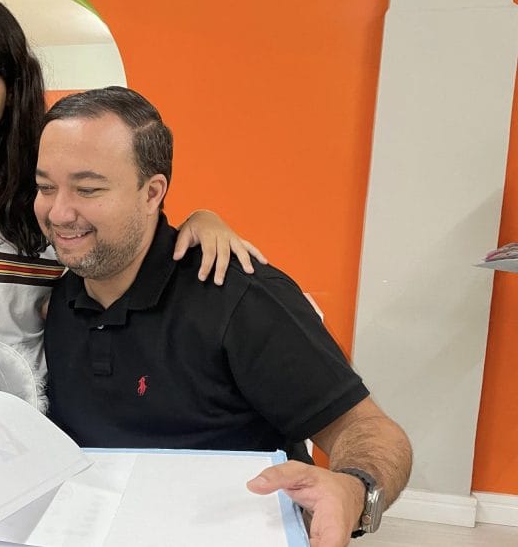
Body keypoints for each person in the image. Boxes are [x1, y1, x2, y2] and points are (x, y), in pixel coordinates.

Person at [35, 87, 412, 547]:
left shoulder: (240, 297)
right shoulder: (53, 296)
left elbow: (368, 428)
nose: (59, 212)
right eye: (45, 187)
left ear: (152, 193)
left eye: (88, 189)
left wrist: (354, 489)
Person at [0, 0, 265, 403]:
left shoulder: (50, 171)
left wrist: (203, 218)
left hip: (31, 392)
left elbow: (124, 236)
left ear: (13, 88)